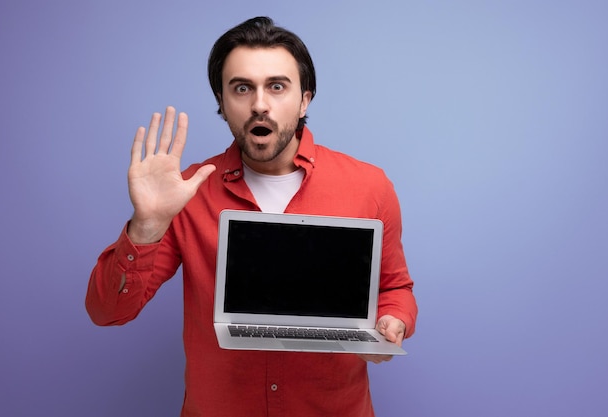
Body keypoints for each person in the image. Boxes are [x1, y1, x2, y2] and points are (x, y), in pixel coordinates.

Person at [86, 16, 418, 417]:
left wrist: (392, 322)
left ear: (305, 99)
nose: (260, 103)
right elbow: (107, 312)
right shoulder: (187, 192)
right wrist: (147, 225)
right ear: (223, 104)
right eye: (242, 88)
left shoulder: (368, 186)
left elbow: (395, 288)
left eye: (277, 86)